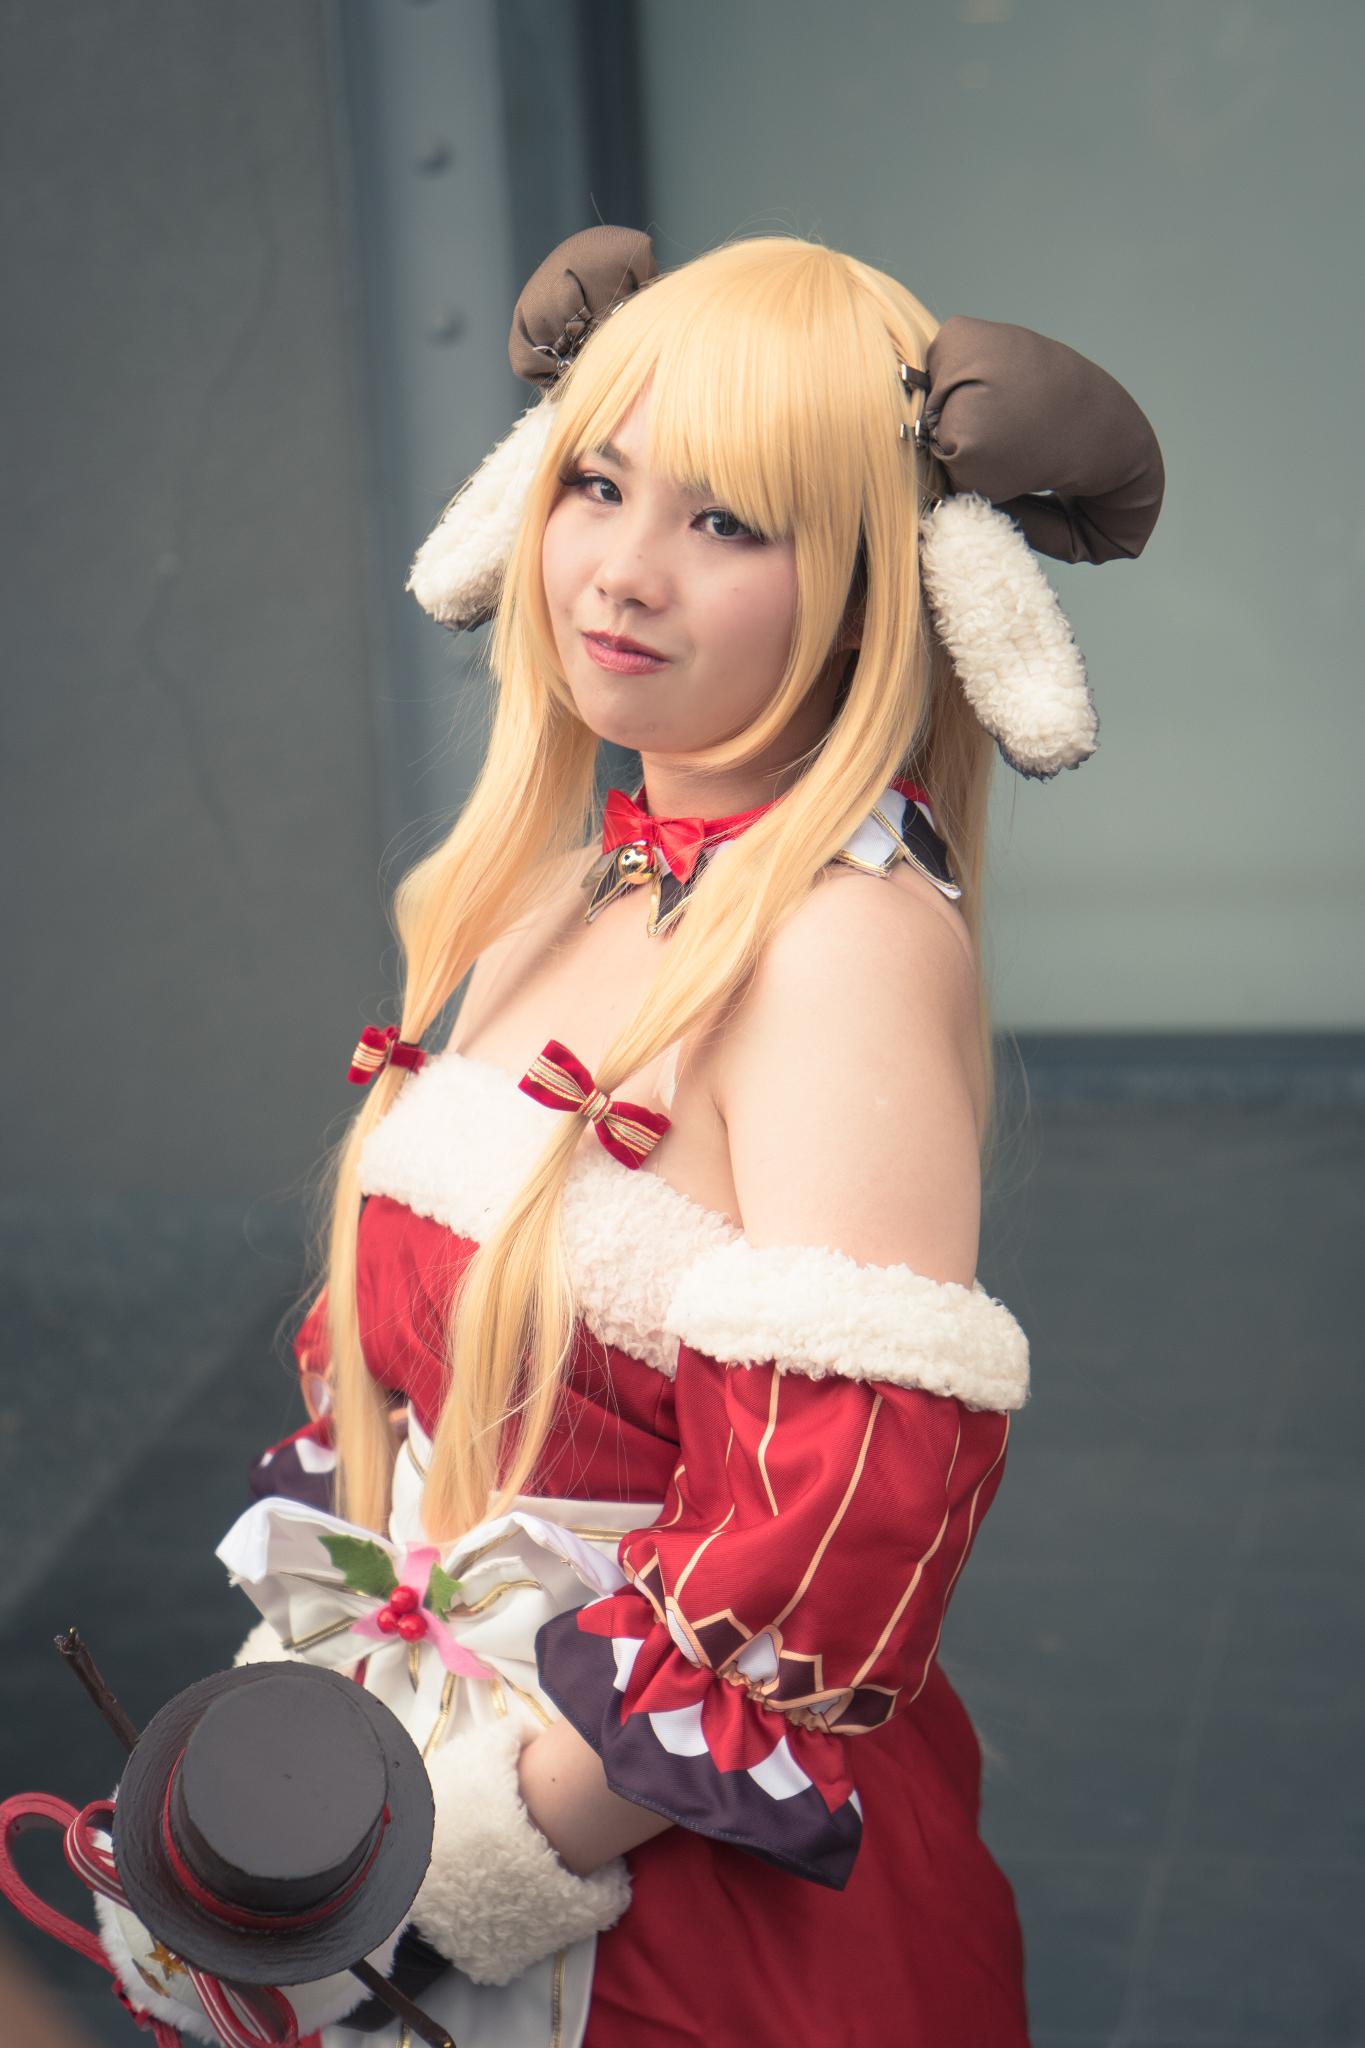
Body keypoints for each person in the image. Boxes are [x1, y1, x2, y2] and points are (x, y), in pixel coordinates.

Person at [123, 226, 1164, 2047]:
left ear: (874, 587)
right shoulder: (562, 887)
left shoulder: (840, 946)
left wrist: (453, 1870)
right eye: (597, 484)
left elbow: (837, 1529)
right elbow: (397, 1412)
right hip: (424, 1780)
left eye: (727, 522)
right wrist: (296, 1793)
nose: (619, 569)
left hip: (664, 1903)